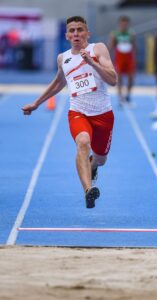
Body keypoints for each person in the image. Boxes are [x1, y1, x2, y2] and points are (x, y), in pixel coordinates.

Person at [22, 16, 117, 209]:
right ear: (66, 35)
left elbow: (113, 79)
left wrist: (92, 63)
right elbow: (58, 82)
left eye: (80, 30)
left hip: (103, 115)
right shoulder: (63, 58)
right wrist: (36, 103)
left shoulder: (97, 49)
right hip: (78, 112)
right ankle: (88, 190)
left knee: (101, 158)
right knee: (82, 142)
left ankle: (94, 165)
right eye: (72, 31)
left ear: (87, 33)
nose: (76, 34)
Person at [108, 16, 136, 105]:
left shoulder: (131, 33)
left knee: (131, 78)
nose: (124, 25)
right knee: (119, 78)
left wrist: (135, 58)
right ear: (119, 24)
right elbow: (110, 47)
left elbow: (134, 46)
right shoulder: (114, 34)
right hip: (120, 58)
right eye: (122, 23)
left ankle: (128, 95)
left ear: (128, 24)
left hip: (129, 58)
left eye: (126, 24)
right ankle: (120, 97)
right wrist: (108, 60)